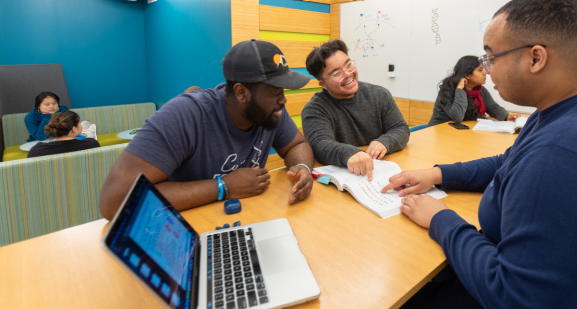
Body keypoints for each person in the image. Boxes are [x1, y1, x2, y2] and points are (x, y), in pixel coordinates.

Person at [383, 0, 577, 308]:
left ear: (536, 58)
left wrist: (441, 219)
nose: (486, 68)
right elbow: (508, 161)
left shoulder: (569, 151)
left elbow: (518, 299)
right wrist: (439, 174)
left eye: (490, 57)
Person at [99, 40, 316, 221]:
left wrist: (303, 167)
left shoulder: (270, 111)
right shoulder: (184, 115)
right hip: (180, 230)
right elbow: (114, 202)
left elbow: (296, 144)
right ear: (241, 93)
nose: (283, 100)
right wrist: (223, 187)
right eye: (275, 92)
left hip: (244, 221)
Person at [302, 39, 409, 180]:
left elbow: (400, 128)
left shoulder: (379, 95)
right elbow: (321, 145)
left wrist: (384, 142)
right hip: (344, 177)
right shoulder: (314, 109)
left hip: (376, 172)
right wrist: (351, 153)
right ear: (323, 84)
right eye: (336, 73)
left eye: (348, 65)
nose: (347, 74)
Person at [427, 56, 520, 127]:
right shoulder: (448, 89)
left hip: (462, 132)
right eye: (480, 70)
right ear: (467, 75)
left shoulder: (480, 90)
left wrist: (506, 116)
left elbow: (492, 107)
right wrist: (460, 89)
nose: (485, 72)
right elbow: (457, 116)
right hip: (440, 132)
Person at [27, 110, 100, 158]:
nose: (81, 125)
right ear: (73, 129)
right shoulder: (92, 144)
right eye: (79, 123)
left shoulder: (37, 151)